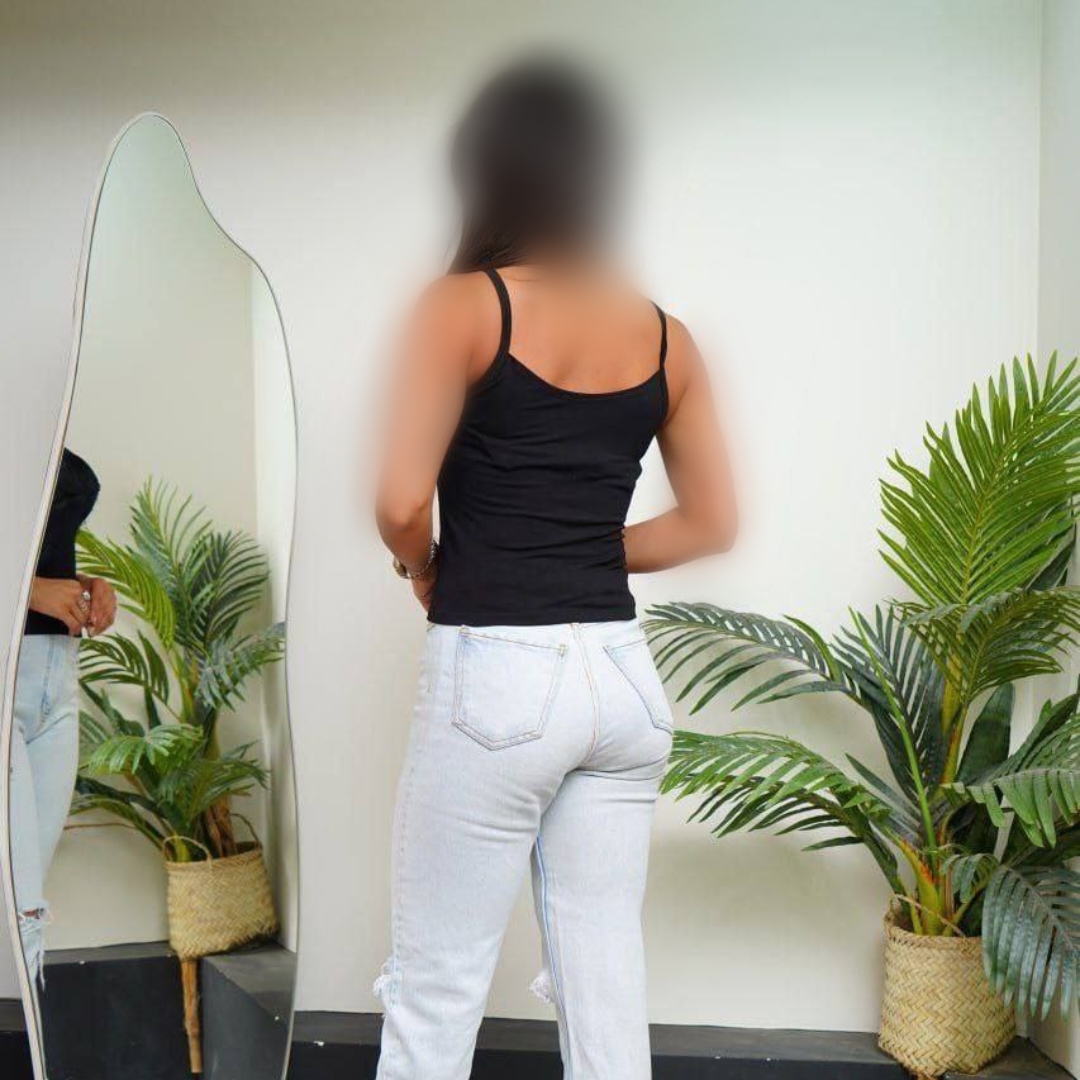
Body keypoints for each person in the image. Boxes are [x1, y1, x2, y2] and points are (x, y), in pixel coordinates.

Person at [374, 58, 737, 1080]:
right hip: (623, 685)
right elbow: (713, 521)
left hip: (499, 679)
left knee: (436, 990)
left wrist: (422, 566)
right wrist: (582, 544)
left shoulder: (461, 307)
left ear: (486, 173)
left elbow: (399, 505)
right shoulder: (666, 336)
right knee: (606, 990)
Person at [12, 448, 116, 986]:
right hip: (8, 676)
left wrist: (84, 586)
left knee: (24, 902)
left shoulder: (36, 416)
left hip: (57, 677)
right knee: (22, 907)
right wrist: (30, 591)